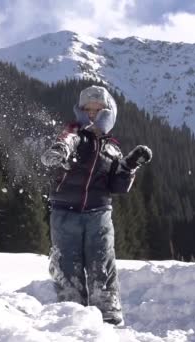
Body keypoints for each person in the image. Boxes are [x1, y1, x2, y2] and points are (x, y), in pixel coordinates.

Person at [40, 85, 152, 326]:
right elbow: (67, 139)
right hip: (64, 212)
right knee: (67, 264)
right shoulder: (74, 133)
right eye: (87, 109)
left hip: (99, 213)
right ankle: (70, 313)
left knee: (101, 262)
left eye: (97, 109)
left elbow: (118, 186)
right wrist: (60, 149)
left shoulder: (112, 148)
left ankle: (108, 313)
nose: (91, 114)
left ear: (109, 112)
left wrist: (130, 165)